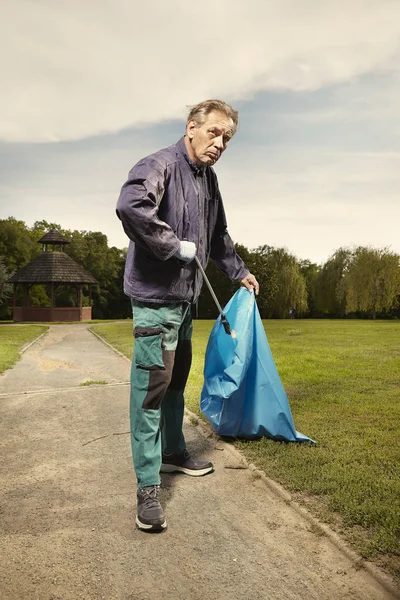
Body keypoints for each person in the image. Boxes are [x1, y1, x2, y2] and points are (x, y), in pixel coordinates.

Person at [116, 99, 259, 532]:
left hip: (184, 304)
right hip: (155, 301)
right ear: (191, 128)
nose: (220, 143)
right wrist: (171, 244)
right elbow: (132, 207)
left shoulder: (208, 180)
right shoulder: (159, 164)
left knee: (177, 382)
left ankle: (173, 452)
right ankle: (146, 485)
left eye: (227, 138)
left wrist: (240, 272)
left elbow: (217, 236)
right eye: (214, 132)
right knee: (151, 392)